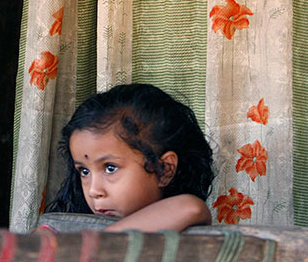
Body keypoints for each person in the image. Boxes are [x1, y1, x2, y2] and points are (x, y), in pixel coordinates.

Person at [46, 83, 214, 232]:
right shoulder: (58, 230)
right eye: (84, 171)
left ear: (164, 170)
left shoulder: (182, 217)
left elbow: (190, 207)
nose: (93, 191)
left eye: (110, 168)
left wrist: (98, 244)